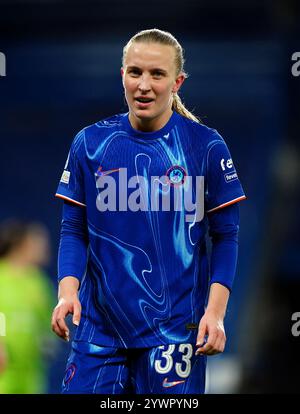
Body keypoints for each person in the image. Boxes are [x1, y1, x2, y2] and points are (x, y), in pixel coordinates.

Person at [51, 28, 246, 394]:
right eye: (135, 72)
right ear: (121, 75)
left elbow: (226, 237)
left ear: (178, 82)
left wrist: (215, 314)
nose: (144, 85)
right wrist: (67, 292)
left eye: (157, 74)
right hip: (99, 331)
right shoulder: (90, 143)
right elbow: (73, 230)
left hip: (175, 333)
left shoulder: (205, 147)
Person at [0, 219, 55, 393]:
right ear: (21, 244)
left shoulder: (39, 283)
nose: (43, 247)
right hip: (4, 368)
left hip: (32, 370)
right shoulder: (2, 275)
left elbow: (47, 322)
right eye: (37, 242)